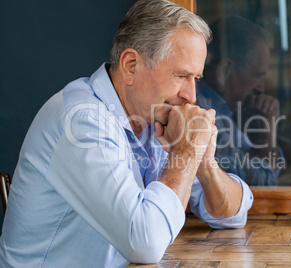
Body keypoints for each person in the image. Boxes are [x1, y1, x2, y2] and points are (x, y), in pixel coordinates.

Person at [0, 1, 253, 267]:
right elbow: (145, 244)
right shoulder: (82, 121)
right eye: (181, 75)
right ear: (131, 65)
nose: (191, 95)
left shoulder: (155, 119)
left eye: (196, 79)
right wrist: (186, 153)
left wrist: (203, 164)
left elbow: (232, 216)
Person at [196, 16, 284, 186]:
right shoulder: (203, 112)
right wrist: (266, 139)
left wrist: (261, 135)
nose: (261, 88)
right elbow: (261, 183)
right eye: (257, 75)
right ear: (225, 70)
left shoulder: (223, 110)